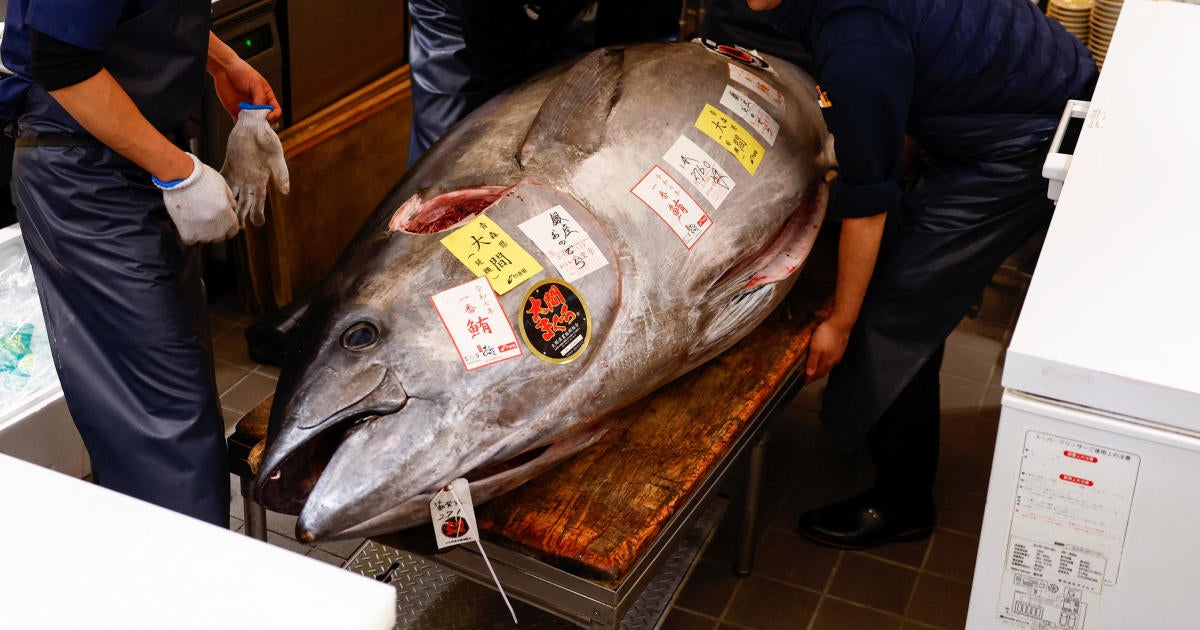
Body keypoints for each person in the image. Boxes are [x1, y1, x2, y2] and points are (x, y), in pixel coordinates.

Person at [744, 0, 1097, 548]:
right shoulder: (853, 34)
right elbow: (906, 86)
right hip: (1024, 84)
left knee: (893, 308)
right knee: (889, 261)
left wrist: (839, 323)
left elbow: (868, 206)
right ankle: (873, 418)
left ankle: (903, 504)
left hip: (1024, 139)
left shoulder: (856, 40)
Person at [0, 0, 288, 527]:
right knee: (165, 428)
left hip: (128, 159)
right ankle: (183, 596)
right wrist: (179, 171)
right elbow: (63, 62)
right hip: (82, 176)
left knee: (181, 408)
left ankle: (192, 577)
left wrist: (224, 62)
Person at [406, 0, 681, 165]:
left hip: (562, 13)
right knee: (446, 158)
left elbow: (627, 41)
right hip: (458, 15)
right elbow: (502, 75)